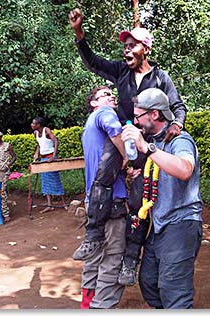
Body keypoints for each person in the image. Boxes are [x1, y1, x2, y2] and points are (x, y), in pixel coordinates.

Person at [69, 8, 187, 280]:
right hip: (125, 136)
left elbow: (178, 106)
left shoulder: (160, 78)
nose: (126, 50)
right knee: (102, 177)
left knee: (140, 200)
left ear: (145, 48)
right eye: (124, 46)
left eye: (132, 46)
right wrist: (79, 33)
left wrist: (176, 125)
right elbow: (93, 62)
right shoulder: (120, 71)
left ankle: (130, 260)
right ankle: (93, 235)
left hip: (149, 143)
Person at [121, 88, 203, 309]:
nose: (136, 121)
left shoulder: (181, 140)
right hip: (160, 226)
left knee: (174, 290)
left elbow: (185, 169)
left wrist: (146, 148)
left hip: (181, 223)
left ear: (154, 115)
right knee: (148, 282)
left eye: (138, 116)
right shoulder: (156, 140)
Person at [79, 86, 128, 309]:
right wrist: (126, 157)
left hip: (93, 199)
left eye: (111, 94)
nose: (111, 97)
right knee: (113, 255)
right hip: (112, 199)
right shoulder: (105, 113)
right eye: (105, 95)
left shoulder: (88, 127)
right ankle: (102, 307)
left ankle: (87, 303)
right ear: (94, 103)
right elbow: (114, 128)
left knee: (94, 254)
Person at [31, 117, 65, 213]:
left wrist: (53, 156)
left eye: (34, 123)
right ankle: (50, 205)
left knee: (55, 180)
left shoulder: (46, 130)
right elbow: (39, 144)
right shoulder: (35, 133)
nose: (32, 125)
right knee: (45, 182)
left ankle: (63, 203)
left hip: (50, 158)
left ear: (39, 125)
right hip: (43, 159)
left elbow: (56, 141)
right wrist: (36, 153)